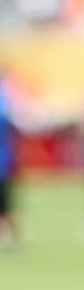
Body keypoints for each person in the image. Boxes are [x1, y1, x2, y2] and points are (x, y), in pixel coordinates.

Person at [0, 71, 18, 250]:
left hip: (2, 163)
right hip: (4, 162)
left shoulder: (4, 101)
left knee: (5, 205)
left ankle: (10, 237)